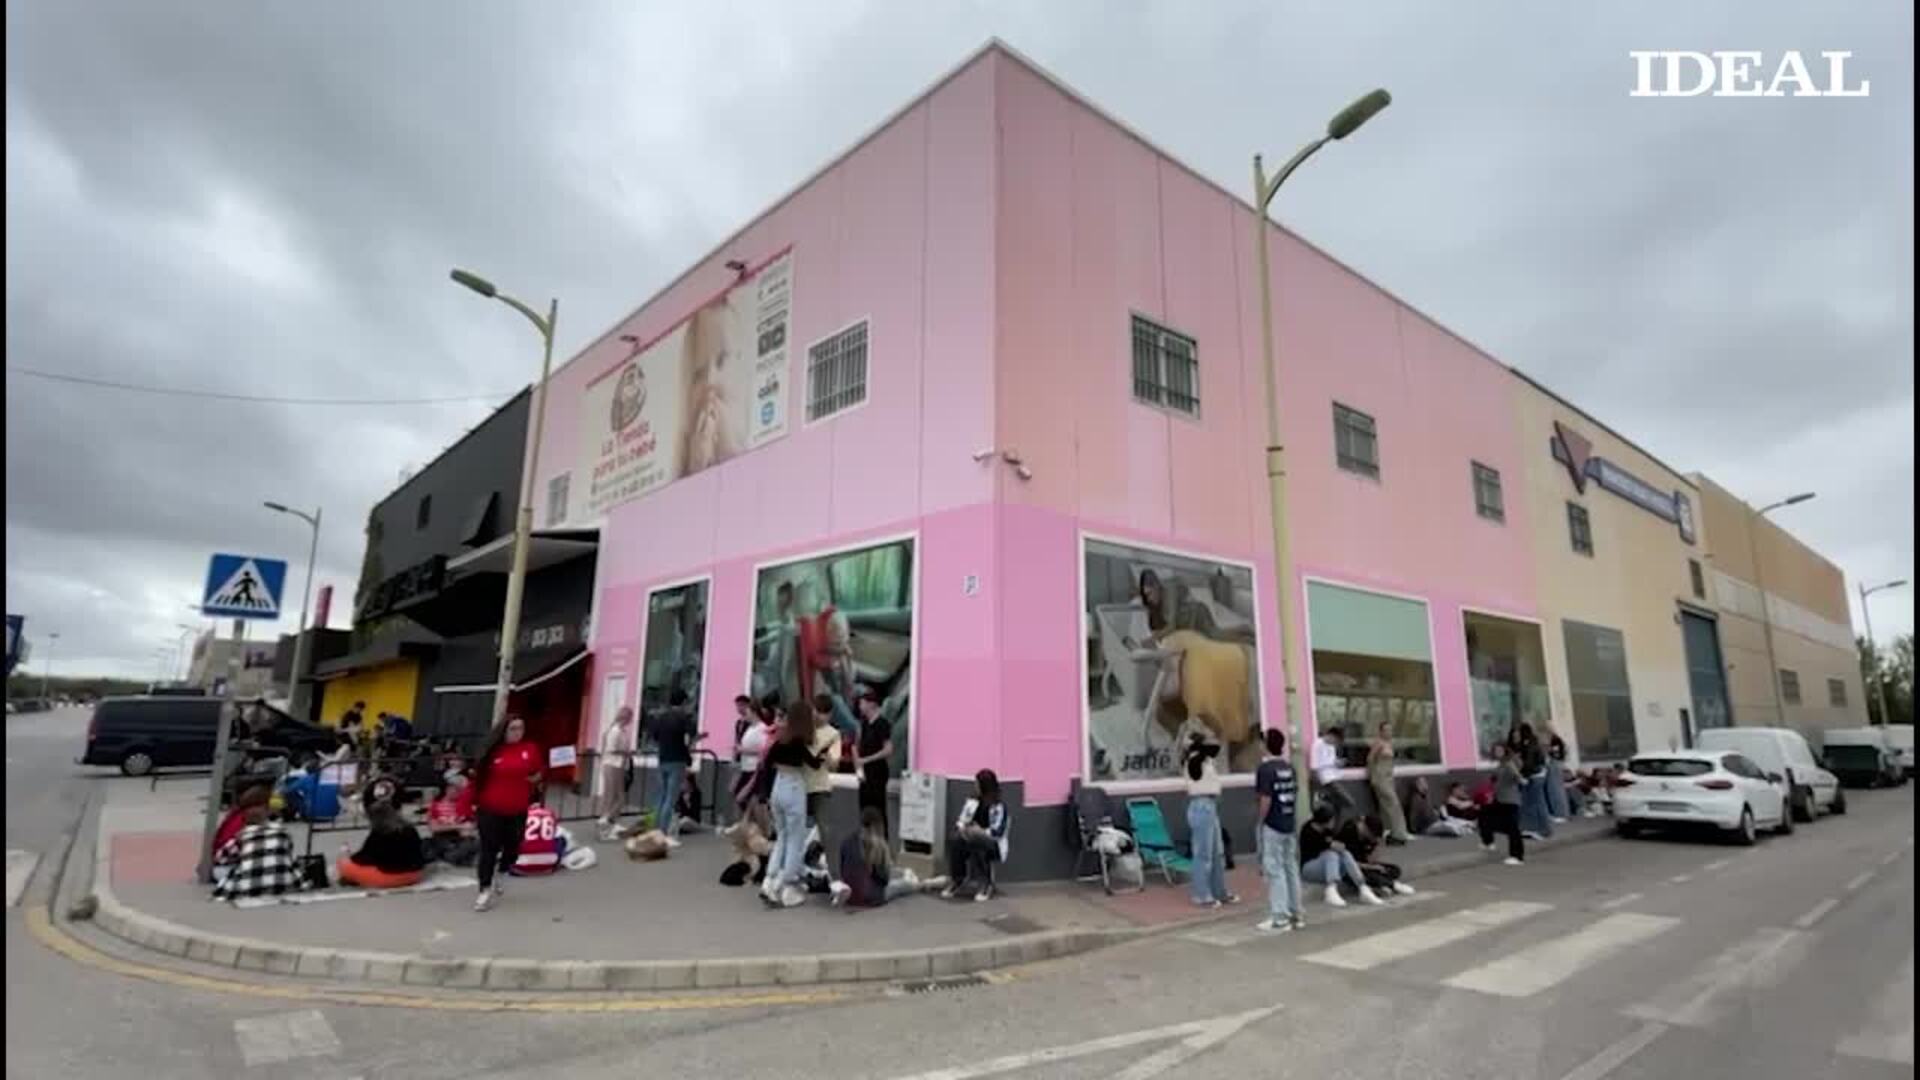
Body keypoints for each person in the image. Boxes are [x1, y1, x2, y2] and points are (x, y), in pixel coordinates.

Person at [470, 715, 543, 912]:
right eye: (513, 728)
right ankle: (484, 890)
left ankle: (502, 871)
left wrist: (535, 779)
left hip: (518, 808)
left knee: (514, 846)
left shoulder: (530, 749)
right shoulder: (492, 751)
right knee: (489, 850)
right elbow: (478, 780)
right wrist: (473, 804)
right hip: (490, 809)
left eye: (520, 728)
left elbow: (537, 772)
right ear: (504, 730)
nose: (517, 732)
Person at [761, 700, 827, 907]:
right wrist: (824, 754)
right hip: (793, 788)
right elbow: (814, 764)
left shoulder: (780, 740)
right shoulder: (800, 741)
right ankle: (785, 884)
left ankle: (769, 880)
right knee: (795, 840)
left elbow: (766, 762)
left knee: (782, 837)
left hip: (777, 788)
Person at [836, 806, 947, 907]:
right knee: (902, 886)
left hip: (850, 896)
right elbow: (884, 878)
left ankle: (912, 876)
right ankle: (927, 883)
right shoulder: (875, 844)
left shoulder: (847, 841)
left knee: (899, 875)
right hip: (870, 896)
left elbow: (842, 867)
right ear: (875, 826)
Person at [211, 798, 311, 902]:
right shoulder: (283, 832)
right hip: (282, 883)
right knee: (288, 860)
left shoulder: (241, 836)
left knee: (220, 870)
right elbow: (289, 851)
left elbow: (220, 858)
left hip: (249, 888)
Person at [1252, 729, 1303, 933]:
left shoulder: (1265, 769)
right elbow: (1294, 792)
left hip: (1273, 824)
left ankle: (1279, 917)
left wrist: (1260, 821)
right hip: (1288, 823)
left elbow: (1265, 799)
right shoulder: (1289, 767)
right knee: (1290, 867)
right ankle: (1296, 913)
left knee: (1275, 870)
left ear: (1266, 744)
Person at [1182, 731, 1236, 908]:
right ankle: (1201, 895)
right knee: (1203, 853)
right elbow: (1212, 748)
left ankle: (1219, 891)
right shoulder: (1193, 760)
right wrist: (1196, 745)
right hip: (1200, 806)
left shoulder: (1206, 760)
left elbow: (1214, 749)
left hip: (1211, 806)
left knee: (1216, 852)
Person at [943, 769, 1010, 902]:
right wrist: (962, 828)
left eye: (977, 783)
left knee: (977, 842)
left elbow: (998, 831)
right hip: (971, 837)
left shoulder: (998, 806)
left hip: (992, 842)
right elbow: (962, 820)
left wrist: (979, 831)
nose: (975, 786)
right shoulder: (972, 802)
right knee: (956, 840)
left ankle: (985, 884)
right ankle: (958, 879)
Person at [645, 690, 704, 841]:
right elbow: (693, 736)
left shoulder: (662, 717)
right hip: (677, 760)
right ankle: (663, 833)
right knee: (670, 798)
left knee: (661, 797)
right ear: (683, 702)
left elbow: (654, 737)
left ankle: (654, 830)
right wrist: (698, 739)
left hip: (663, 759)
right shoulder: (683, 717)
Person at [1298, 805, 1383, 908]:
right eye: (1332, 820)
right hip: (1309, 868)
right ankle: (1331, 889)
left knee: (1344, 853)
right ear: (1326, 821)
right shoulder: (1308, 831)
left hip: (1330, 867)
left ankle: (1363, 887)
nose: (1334, 822)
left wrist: (1338, 846)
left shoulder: (1328, 831)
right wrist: (1331, 845)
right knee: (1331, 854)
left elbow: (1335, 844)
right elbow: (1324, 847)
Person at [337, 802, 427, 889]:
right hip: (416, 874)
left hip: (391, 876)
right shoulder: (410, 829)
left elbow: (363, 858)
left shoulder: (379, 833)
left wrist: (348, 856)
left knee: (344, 865)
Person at [801, 695, 842, 869]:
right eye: (817, 711)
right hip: (798, 785)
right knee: (798, 828)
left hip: (819, 786)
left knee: (822, 828)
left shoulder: (833, 734)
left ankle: (823, 867)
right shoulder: (803, 729)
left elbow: (834, 763)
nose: (819, 716)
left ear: (830, 714)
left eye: (824, 713)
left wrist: (826, 757)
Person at [1339, 815, 1415, 897]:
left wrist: (1377, 846)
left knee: (1393, 870)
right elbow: (1350, 862)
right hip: (1351, 867)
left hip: (1365, 864)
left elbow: (1370, 859)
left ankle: (1380, 885)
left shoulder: (1367, 838)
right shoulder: (1349, 832)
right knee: (1367, 874)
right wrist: (1371, 867)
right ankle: (1391, 884)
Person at [852, 690, 893, 837]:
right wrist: (858, 765)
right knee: (864, 808)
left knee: (878, 809)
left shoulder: (882, 724)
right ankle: (866, 840)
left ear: (872, 704)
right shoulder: (863, 725)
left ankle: (881, 843)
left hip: (877, 773)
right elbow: (856, 745)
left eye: (863, 703)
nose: (860, 706)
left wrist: (867, 759)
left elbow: (888, 750)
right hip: (864, 774)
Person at [1479, 743, 1526, 866]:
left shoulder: (1509, 763)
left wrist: (1521, 779)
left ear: (1505, 751)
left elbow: (1516, 775)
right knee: (1485, 814)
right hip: (1499, 799)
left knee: (1513, 828)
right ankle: (1488, 842)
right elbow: (1495, 780)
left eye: (1500, 750)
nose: (1497, 752)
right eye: (1495, 750)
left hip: (1510, 800)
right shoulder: (1500, 765)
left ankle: (1517, 856)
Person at [596, 706, 636, 840]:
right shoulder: (615, 731)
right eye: (631, 717)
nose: (632, 720)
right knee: (615, 796)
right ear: (626, 718)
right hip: (614, 764)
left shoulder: (620, 731)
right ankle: (606, 820)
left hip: (616, 764)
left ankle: (608, 822)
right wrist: (627, 753)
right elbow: (612, 749)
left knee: (614, 795)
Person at [1367, 722, 1411, 845]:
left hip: (1389, 778)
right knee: (1393, 804)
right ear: (1381, 732)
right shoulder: (1378, 743)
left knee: (1387, 806)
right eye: (1386, 730)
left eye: (1390, 730)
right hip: (1380, 778)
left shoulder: (1389, 744)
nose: (1389, 733)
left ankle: (1391, 832)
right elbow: (1370, 760)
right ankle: (1399, 833)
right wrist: (1372, 777)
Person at [1508, 722, 1552, 841]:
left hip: (1535, 776)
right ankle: (1542, 829)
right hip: (1537, 775)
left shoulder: (1530, 745)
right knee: (1537, 803)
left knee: (1534, 803)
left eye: (1518, 734)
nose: (1517, 737)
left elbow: (1529, 763)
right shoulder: (1531, 743)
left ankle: (1538, 830)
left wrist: (1522, 775)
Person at [424, 774, 478, 866]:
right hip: (443, 838)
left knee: (476, 842)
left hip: (462, 839)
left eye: (462, 790)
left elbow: (472, 826)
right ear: (448, 788)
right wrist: (458, 826)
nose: (460, 793)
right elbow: (434, 828)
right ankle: (459, 857)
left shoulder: (466, 806)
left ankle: (459, 857)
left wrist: (469, 827)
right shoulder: (436, 805)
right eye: (457, 789)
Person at [212, 784, 271, 866]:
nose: (254, 810)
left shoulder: (238, 817)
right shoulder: (241, 826)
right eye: (253, 806)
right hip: (227, 863)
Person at [1312, 726, 1354, 823]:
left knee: (1337, 809)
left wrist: (1338, 763)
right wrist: (1318, 785)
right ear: (1331, 736)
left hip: (1334, 777)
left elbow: (1331, 761)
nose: (1335, 744)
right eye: (1335, 741)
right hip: (1326, 780)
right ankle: (1327, 798)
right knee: (1349, 801)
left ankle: (1335, 830)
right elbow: (1314, 766)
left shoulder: (1331, 747)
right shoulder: (1317, 744)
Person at [1543, 724, 1572, 823]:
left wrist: (1547, 750)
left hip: (1555, 765)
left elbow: (1556, 752)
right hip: (1556, 764)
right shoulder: (1556, 740)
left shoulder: (1555, 740)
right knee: (1556, 789)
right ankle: (1561, 813)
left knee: (1555, 790)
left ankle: (1561, 814)